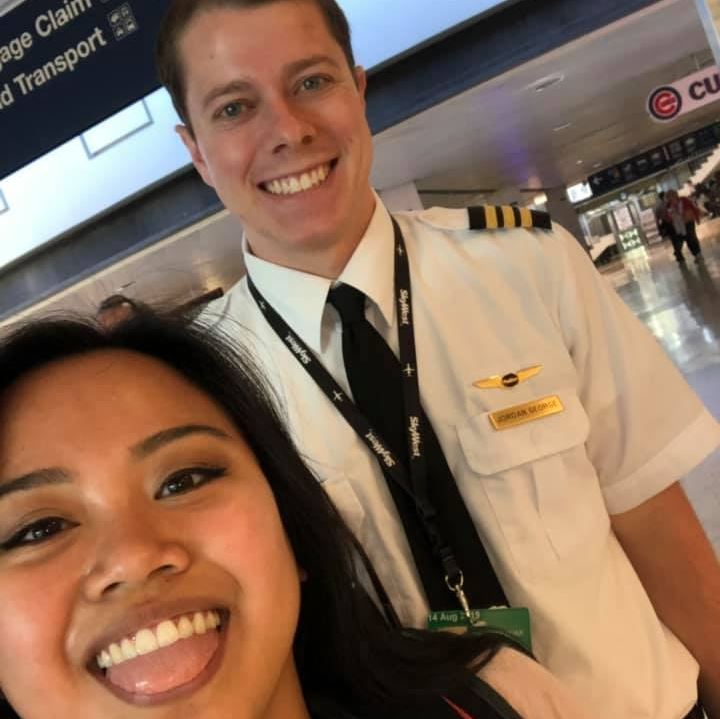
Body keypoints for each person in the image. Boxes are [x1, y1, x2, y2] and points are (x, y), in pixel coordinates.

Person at [155, 1, 720, 716]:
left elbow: (656, 525)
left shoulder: (529, 266)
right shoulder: (206, 383)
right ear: (197, 150)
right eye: (235, 107)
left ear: (358, 91)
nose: (289, 130)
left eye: (311, 83)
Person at [0, 312, 594, 719]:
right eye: (38, 529)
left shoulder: (498, 698)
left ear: (293, 528)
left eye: (184, 480)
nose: (132, 555)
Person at [666, 189, 703, 263]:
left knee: (691, 237)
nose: (671, 198)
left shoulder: (683, 200)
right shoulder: (669, 205)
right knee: (688, 239)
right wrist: (671, 217)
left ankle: (698, 254)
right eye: (669, 197)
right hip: (679, 225)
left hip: (688, 221)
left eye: (672, 196)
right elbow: (669, 217)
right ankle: (696, 255)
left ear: (676, 194)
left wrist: (697, 218)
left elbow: (693, 207)